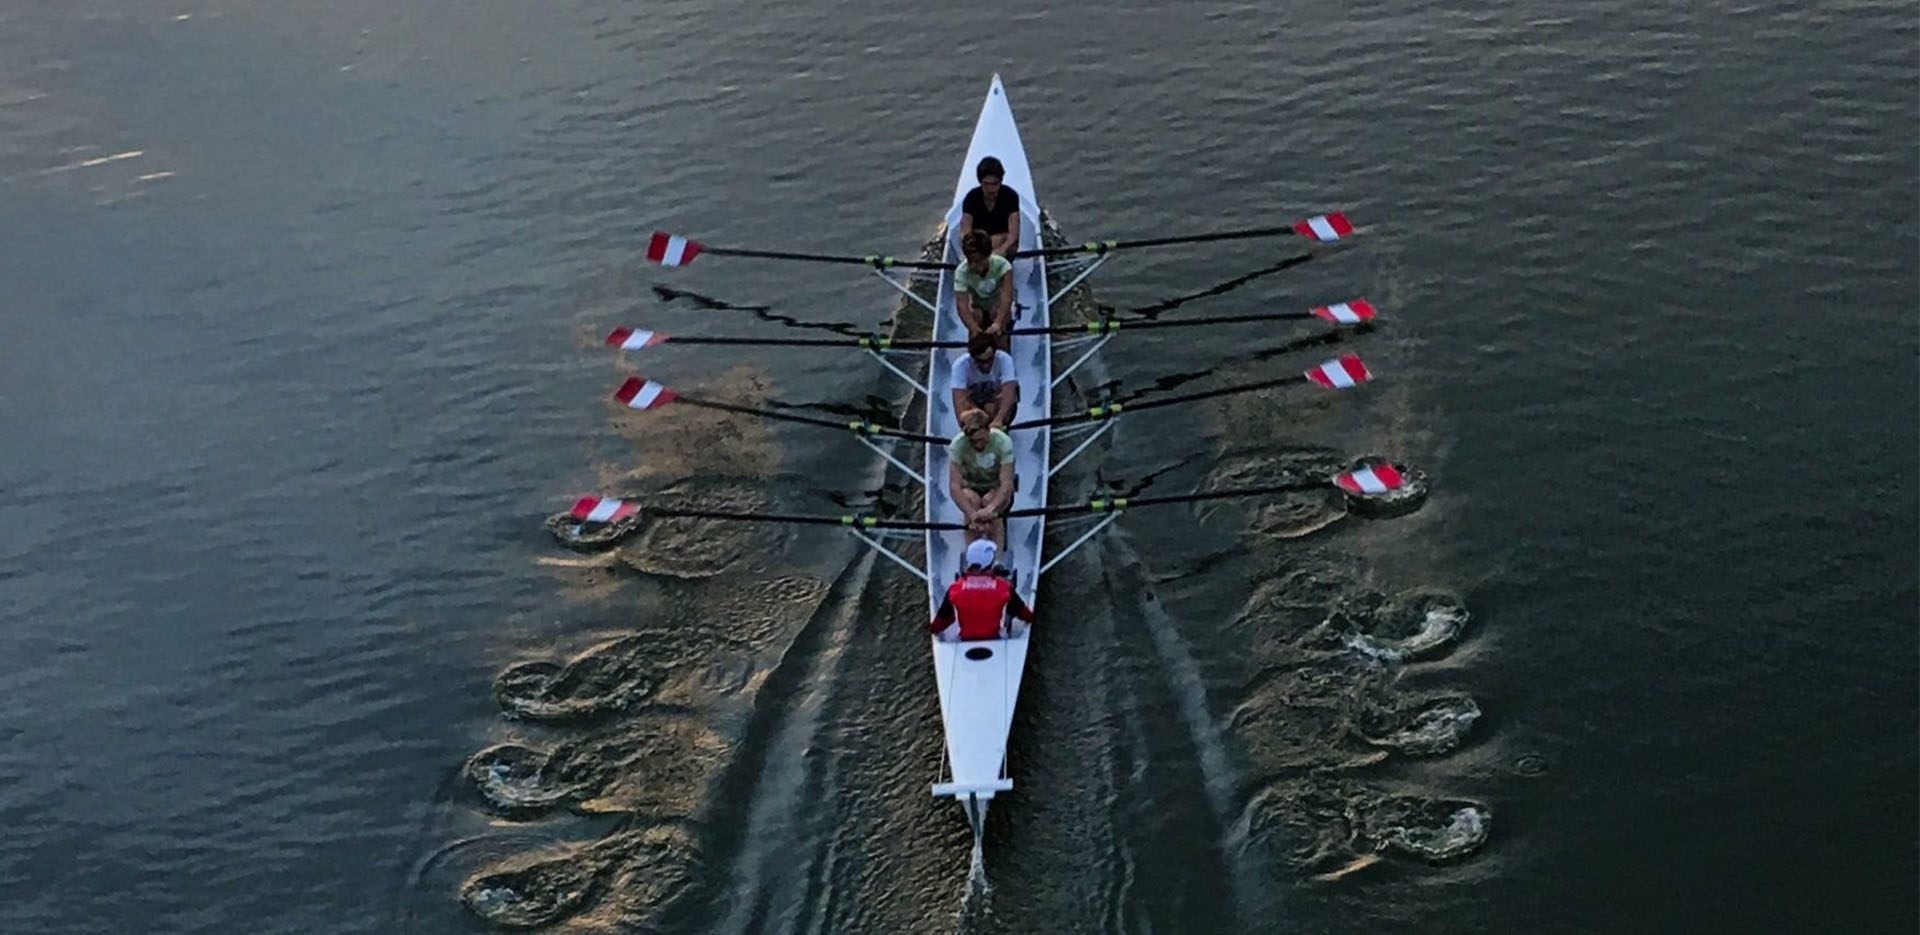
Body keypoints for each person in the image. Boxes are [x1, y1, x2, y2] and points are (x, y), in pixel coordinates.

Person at [928, 539, 1035, 642]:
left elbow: (939, 624)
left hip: (964, 640)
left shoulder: (954, 590)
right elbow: (1026, 615)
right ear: (991, 564)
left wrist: (931, 629)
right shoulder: (1004, 588)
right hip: (997, 639)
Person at [947, 408, 1015, 552]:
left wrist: (990, 509)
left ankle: (996, 562)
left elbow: (1007, 484)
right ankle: (973, 558)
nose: (978, 445)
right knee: (970, 500)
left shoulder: (1003, 442)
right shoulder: (957, 445)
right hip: (970, 489)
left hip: (995, 489)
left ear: (988, 429)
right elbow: (954, 486)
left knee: (990, 501)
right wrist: (972, 514)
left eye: (981, 440)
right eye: (973, 442)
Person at [954, 230, 1014, 351]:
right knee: (974, 318)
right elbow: (962, 306)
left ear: (988, 255)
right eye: (970, 261)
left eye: (978, 261)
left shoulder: (1003, 266)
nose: (973, 266)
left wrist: (998, 323)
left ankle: (1003, 350)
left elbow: (1006, 298)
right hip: (978, 307)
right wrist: (974, 329)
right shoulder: (961, 271)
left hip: (997, 306)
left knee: (998, 322)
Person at [949, 332, 1018, 430]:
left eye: (989, 360)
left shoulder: (1005, 359)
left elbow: (1010, 391)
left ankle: (998, 427)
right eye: (980, 361)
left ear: (995, 353)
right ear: (972, 358)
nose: (986, 365)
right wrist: (965, 426)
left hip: (995, 403)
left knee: (1001, 402)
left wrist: (999, 419)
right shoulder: (960, 365)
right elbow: (959, 400)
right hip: (974, 406)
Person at [959, 156, 1021, 261]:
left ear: (1001, 182)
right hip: (979, 245)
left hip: (1002, 246)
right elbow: (965, 231)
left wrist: (1000, 251)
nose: (990, 189)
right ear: (980, 182)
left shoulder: (1011, 196)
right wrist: (974, 253)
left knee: (1006, 240)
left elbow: (1014, 234)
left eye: (994, 184)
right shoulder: (971, 198)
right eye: (986, 184)